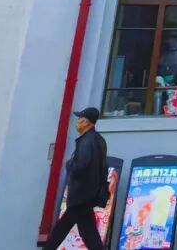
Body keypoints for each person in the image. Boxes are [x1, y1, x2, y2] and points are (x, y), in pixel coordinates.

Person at [42, 107, 109, 250]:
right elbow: (103, 167)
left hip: (80, 194)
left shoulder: (86, 142)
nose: (78, 122)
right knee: (87, 233)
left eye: (80, 119)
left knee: (63, 229)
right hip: (89, 194)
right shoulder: (99, 140)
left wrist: (70, 164)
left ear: (87, 122)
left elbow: (81, 165)